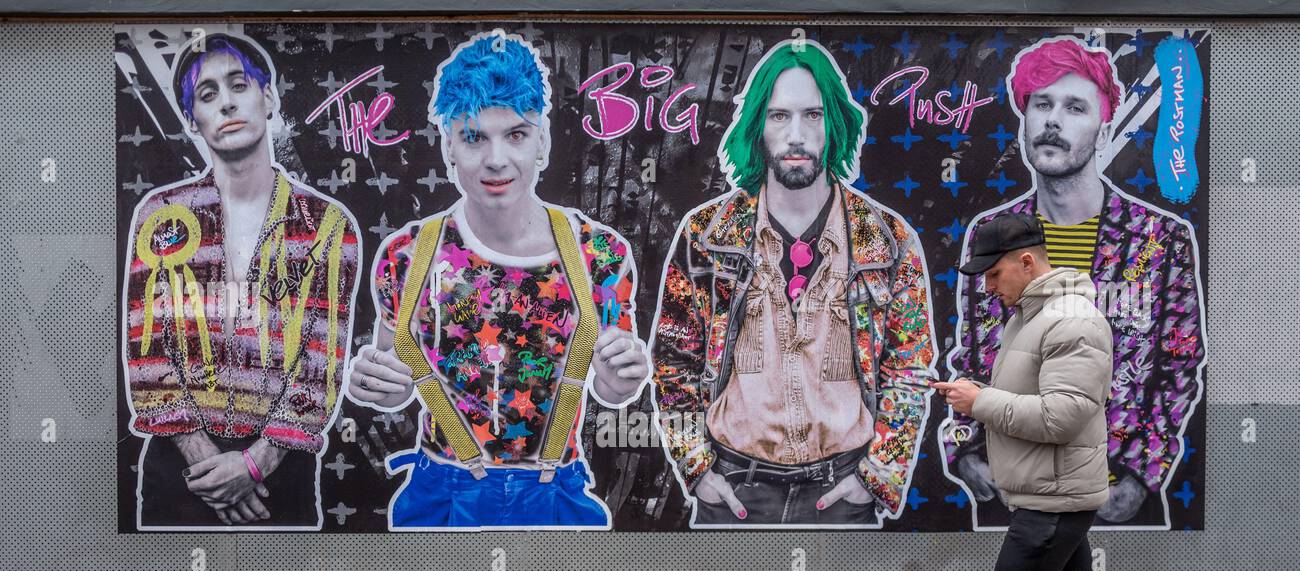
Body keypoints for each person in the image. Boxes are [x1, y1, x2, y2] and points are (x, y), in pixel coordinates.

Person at [877, 212, 1182, 571]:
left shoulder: (1073, 322)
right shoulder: (1033, 317)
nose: (988, 288)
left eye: (993, 275)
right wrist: (977, 398)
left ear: (1027, 261)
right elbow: (1033, 400)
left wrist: (981, 400)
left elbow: (1065, 416)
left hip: (1055, 503)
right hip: (1047, 496)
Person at [347, 31, 650, 529]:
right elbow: (394, 381)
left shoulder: (599, 251)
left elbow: (614, 388)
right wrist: (377, 384)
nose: (495, 159)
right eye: (473, 137)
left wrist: (623, 379)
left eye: (515, 134)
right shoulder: (406, 256)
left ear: (542, 143)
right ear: (448, 146)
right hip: (440, 493)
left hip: (556, 495)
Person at [649, 39, 935, 527]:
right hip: (735, 488)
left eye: (813, 116)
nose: (797, 135)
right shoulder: (709, 234)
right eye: (780, 116)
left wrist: (878, 475)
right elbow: (673, 360)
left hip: (844, 488)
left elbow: (909, 369)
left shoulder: (887, 240)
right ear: (759, 126)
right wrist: (696, 468)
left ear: (835, 126)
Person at [942, 36, 1205, 529]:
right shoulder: (993, 234)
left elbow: (1179, 365)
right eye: (1041, 104)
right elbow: (973, 358)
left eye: (1075, 107)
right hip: (1015, 487)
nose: (1053, 121)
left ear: (1104, 131)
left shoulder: (1159, 238)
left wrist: (1140, 476)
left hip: (1112, 495)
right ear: (1024, 122)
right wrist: (965, 455)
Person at [123, 32, 360, 528]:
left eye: (239, 85)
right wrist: (204, 460)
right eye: (207, 95)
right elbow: (148, 356)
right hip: (178, 469)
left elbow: (320, 363)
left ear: (268, 97)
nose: (226, 101)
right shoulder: (161, 217)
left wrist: (255, 463)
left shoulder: (326, 225)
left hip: (281, 474)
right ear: (193, 119)